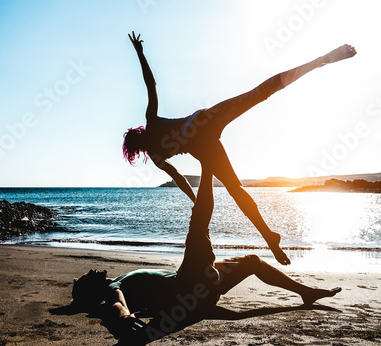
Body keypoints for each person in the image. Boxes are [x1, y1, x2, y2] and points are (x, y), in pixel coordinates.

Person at [123, 32, 357, 266]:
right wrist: (140, 53)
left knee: (235, 186)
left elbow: (179, 178)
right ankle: (269, 236)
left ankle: (269, 236)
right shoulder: (151, 125)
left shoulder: (154, 153)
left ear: (136, 150)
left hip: (202, 140)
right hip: (204, 123)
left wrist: (194, 199)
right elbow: (151, 85)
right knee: (258, 95)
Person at [71, 167, 342, 341]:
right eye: (86, 277)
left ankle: (305, 292)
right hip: (188, 286)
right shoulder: (114, 287)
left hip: (199, 287)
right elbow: (117, 303)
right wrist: (124, 316)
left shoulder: (121, 280)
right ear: (92, 289)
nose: (90, 271)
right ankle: (208, 162)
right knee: (198, 222)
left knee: (252, 262)